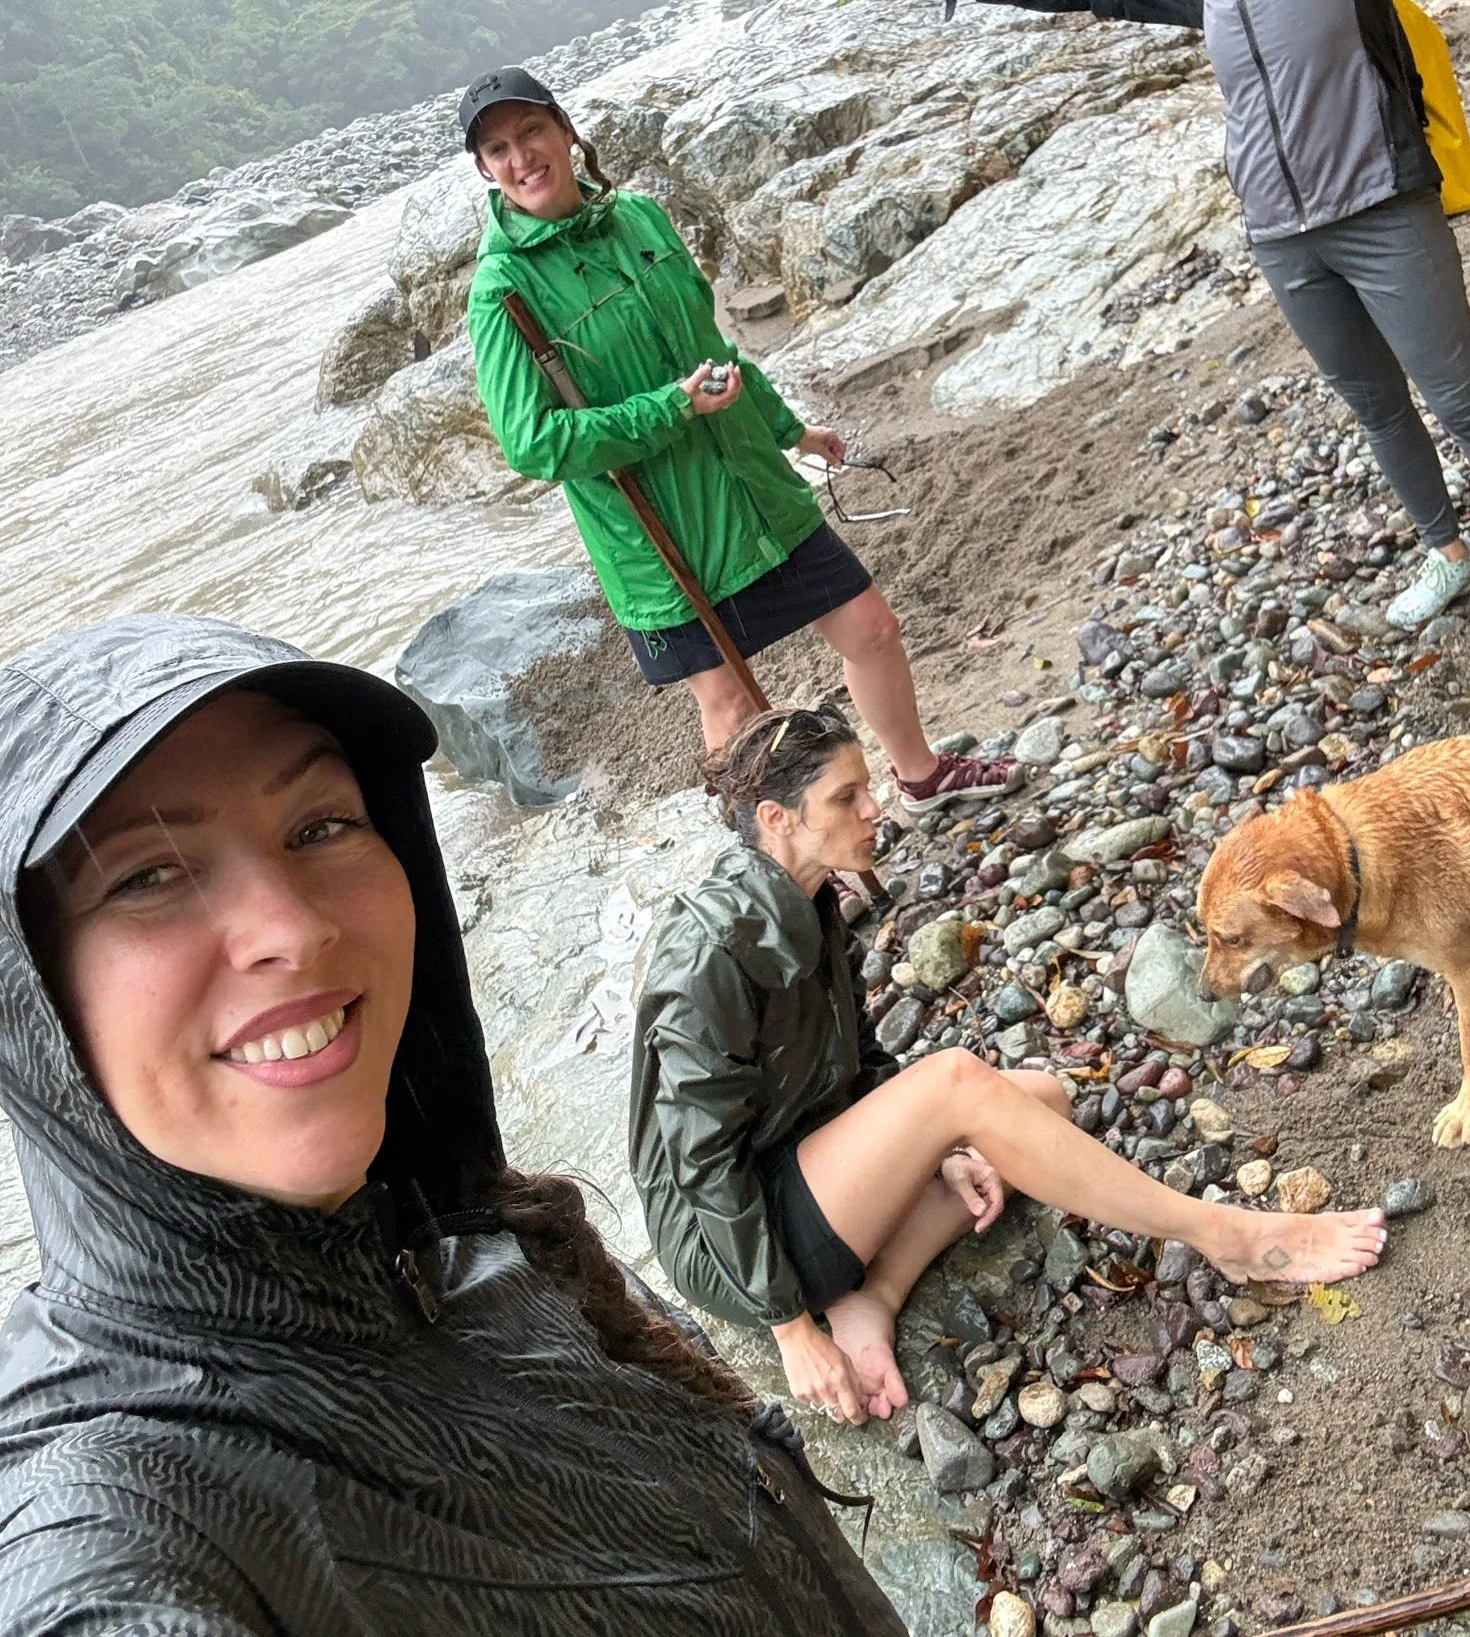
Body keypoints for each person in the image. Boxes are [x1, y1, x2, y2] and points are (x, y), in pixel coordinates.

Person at [0, 611, 907, 1635]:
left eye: (318, 826)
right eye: (146, 875)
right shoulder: (120, 1522)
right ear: (29, 1004)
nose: (295, 926)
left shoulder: (483, 1238)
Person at [897, 0, 1470, 666]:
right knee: (1378, 407)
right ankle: (1448, 554)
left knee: (1465, 402)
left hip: (1382, 206)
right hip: (1283, 237)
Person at [629, 706, 1387, 1426]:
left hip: (801, 1171)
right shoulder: (706, 955)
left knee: (1040, 1100)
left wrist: (929, 1152)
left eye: (869, 788)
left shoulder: (810, 897)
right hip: (730, 1241)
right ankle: (1227, 1236)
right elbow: (700, 1168)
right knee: (959, 1085)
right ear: (776, 820)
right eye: (848, 796)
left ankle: (875, 1295)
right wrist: (790, 1328)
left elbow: (862, 1063)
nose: (876, 809)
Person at [460, 64, 1021, 814]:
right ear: (485, 171)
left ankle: (919, 779)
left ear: (565, 130)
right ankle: (776, 874)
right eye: (498, 149)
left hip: (753, 486)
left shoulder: (641, 219)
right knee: (729, 709)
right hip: (661, 540)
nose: (520, 156)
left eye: (530, 131)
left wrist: (790, 428)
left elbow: (711, 352)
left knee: (872, 627)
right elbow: (534, 445)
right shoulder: (502, 293)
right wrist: (669, 409)